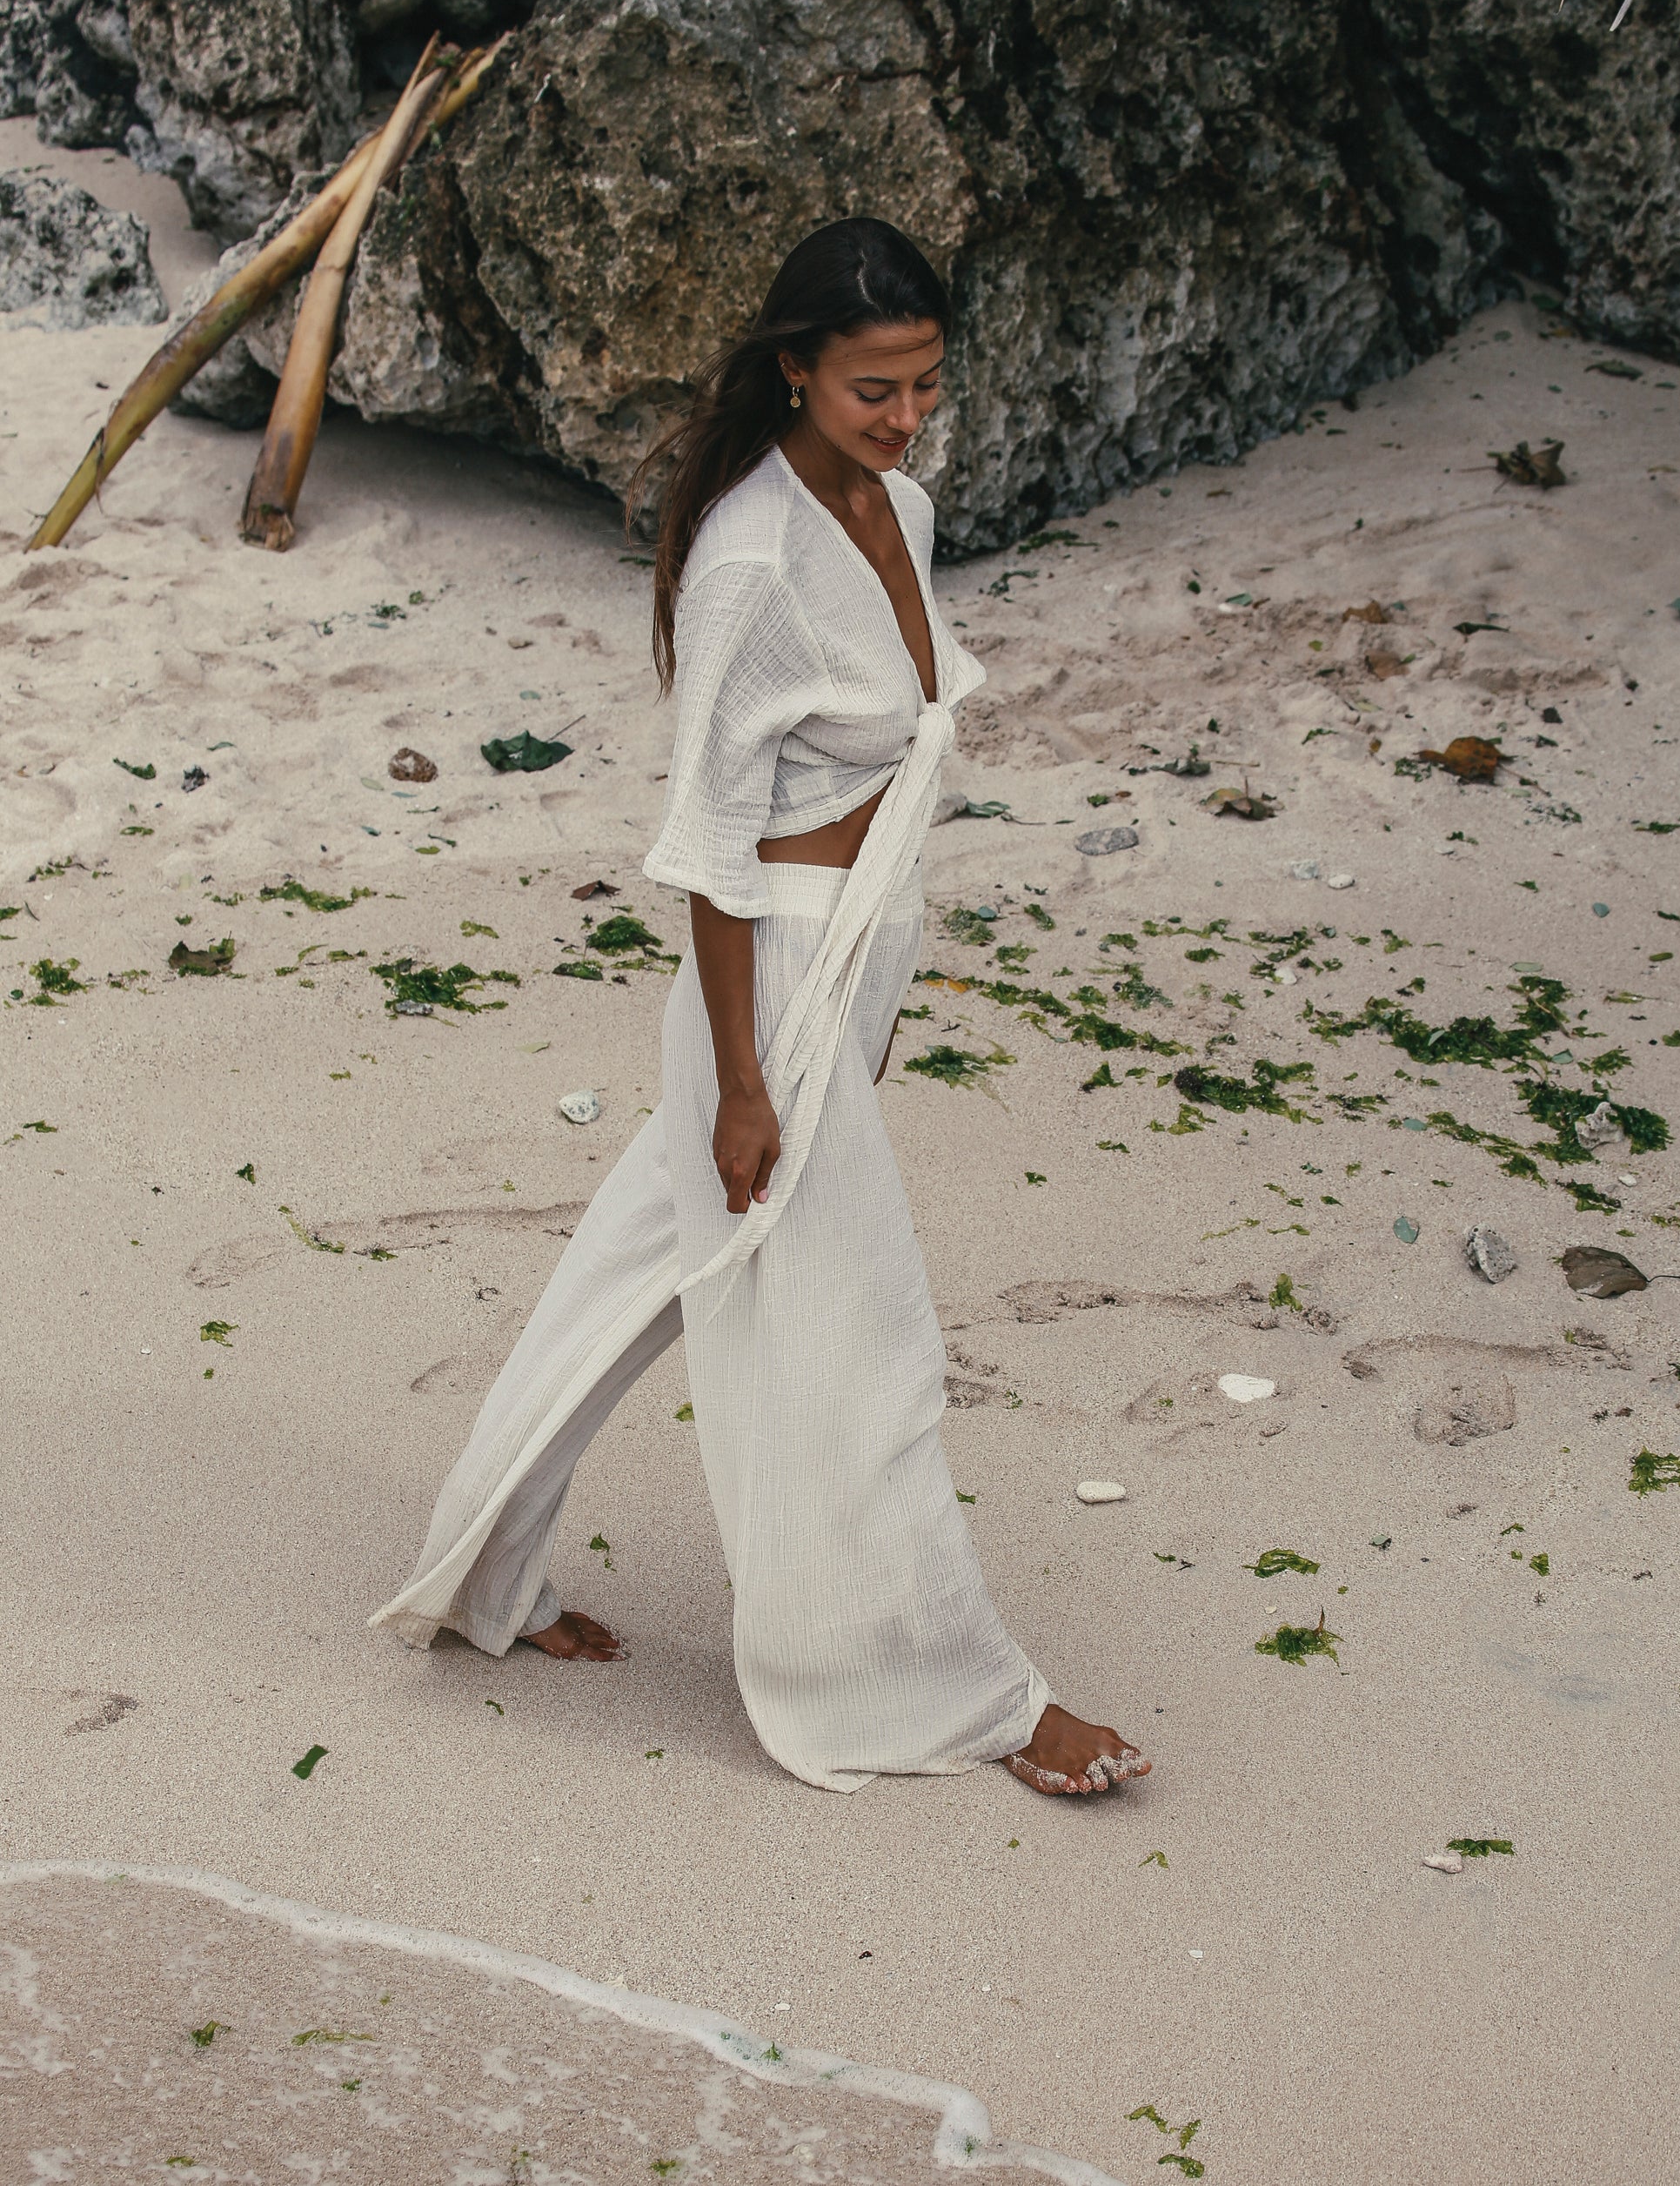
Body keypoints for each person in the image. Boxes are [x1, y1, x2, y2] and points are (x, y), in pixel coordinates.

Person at [372, 218, 1150, 1800]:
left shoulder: (899, 508)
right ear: (795, 368)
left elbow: (895, 766)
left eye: (926, 382)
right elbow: (712, 853)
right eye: (875, 388)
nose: (908, 417)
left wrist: (875, 1006)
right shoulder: (748, 561)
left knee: (621, 1285)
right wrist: (747, 1079)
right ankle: (963, 1696)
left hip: (854, 966)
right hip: (772, 984)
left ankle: (477, 1577)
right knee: (866, 1344)